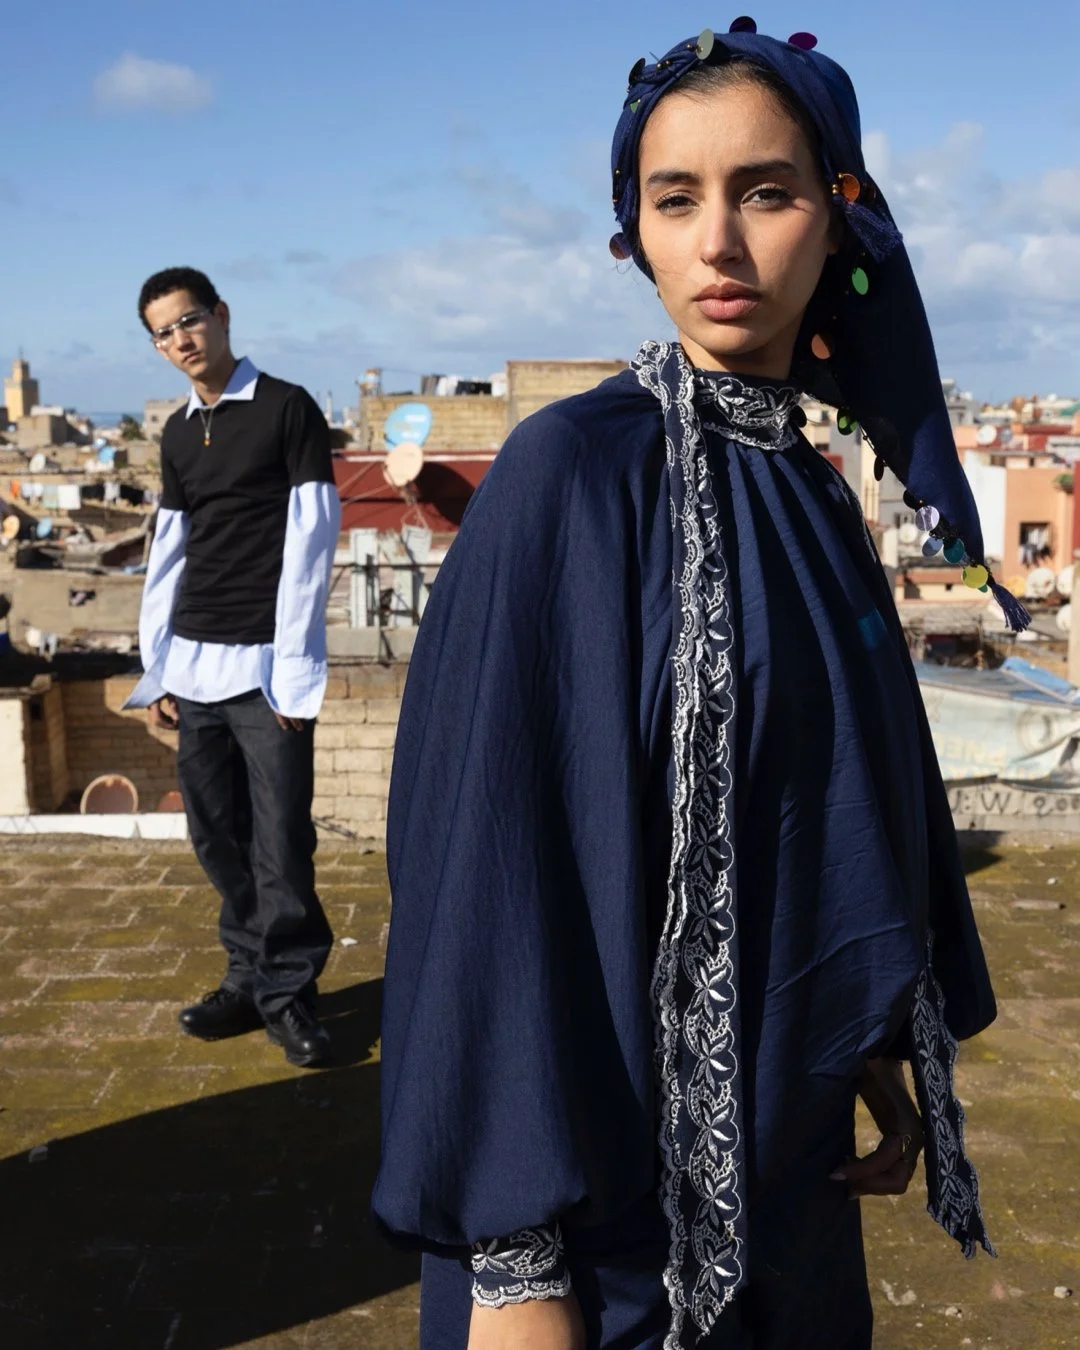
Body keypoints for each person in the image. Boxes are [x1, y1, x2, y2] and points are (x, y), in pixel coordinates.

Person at [374, 21, 1018, 1350]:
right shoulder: (573, 477)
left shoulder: (813, 491)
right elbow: (483, 869)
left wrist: (887, 1059)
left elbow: (846, 807)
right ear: (636, 234)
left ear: (839, 225)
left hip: (794, 1185)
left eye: (766, 192)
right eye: (677, 200)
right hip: (603, 1239)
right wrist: (514, 1274)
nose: (719, 243)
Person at [127, 266, 341, 1069]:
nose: (181, 340)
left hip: (264, 666)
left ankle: (290, 997)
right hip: (194, 663)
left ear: (220, 316)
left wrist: (293, 671)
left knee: (281, 840)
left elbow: (313, 542)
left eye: (189, 322)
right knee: (216, 834)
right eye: (163, 333)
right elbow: (169, 553)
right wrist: (159, 668)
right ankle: (249, 978)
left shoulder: (289, 409)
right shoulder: (179, 432)